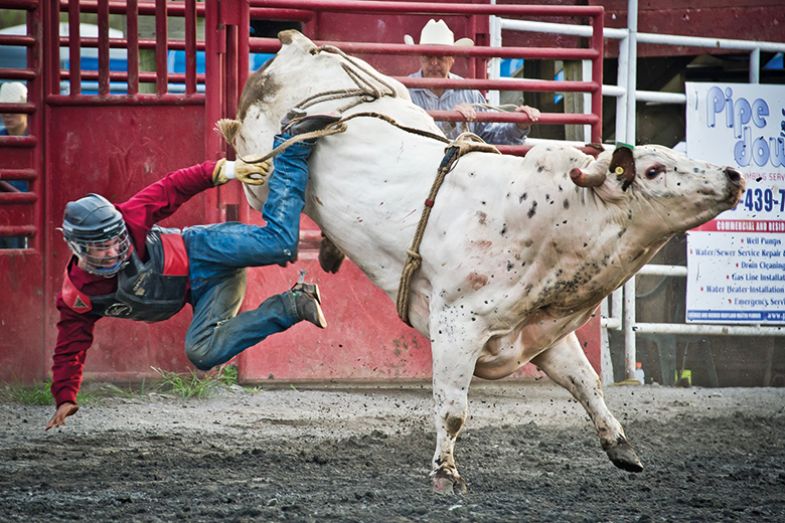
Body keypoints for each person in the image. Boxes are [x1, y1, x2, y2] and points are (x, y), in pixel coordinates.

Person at [46, 114, 340, 431]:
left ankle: (292, 146)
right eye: (102, 247)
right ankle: (294, 304)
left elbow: (172, 187)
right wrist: (65, 396)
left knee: (279, 244)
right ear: (78, 248)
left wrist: (230, 169)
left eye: (116, 241)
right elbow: (69, 348)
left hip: (200, 248)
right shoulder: (78, 295)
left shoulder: (128, 218)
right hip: (205, 291)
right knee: (201, 353)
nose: (114, 250)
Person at [404, 19, 541, 144]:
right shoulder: (404, 91)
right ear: (420, 58)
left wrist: (518, 125)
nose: (434, 63)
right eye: (428, 56)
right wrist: (450, 121)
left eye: (440, 57)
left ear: (452, 59)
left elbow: (489, 136)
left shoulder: (470, 93)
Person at [0, 82, 30, 249]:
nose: (8, 116)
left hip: (27, 210)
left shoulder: (38, 137)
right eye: (4, 110)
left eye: (13, 110)